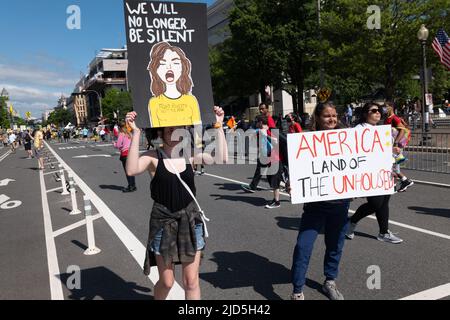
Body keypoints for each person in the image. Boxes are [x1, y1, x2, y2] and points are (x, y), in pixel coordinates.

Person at [125, 106, 227, 300]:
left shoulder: (190, 154)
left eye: (179, 128)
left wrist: (219, 125)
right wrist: (135, 132)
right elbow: (131, 170)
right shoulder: (153, 157)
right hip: (163, 222)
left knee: (191, 281)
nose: (175, 133)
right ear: (161, 133)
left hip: (190, 220)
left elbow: (221, 158)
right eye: (170, 129)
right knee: (167, 282)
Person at [291, 102, 350, 301]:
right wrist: (295, 184)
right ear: (317, 117)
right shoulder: (306, 142)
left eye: (334, 115)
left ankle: (330, 281)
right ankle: (298, 291)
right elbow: (298, 170)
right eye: (327, 116)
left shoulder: (348, 139)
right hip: (315, 207)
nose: (332, 119)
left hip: (340, 205)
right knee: (303, 247)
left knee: (335, 245)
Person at [346, 102, 403, 244]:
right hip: (368, 173)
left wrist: (393, 151)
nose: (378, 113)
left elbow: (383, 150)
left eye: (380, 110)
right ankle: (350, 222)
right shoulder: (358, 130)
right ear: (366, 114)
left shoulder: (381, 130)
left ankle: (383, 232)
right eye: (374, 111)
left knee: (384, 202)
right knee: (375, 204)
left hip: (384, 172)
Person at [147, 41, 201, 128]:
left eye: (175, 63)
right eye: (162, 63)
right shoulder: (154, 102)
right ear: (155, 69)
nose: (169, 67)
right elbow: (157, 133)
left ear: (183, 67)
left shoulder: (191, 100)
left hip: (189, 141)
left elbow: (198, 130)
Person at [241, 103, 276, 193]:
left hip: (269, 149)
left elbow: (273, 131)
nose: (261, 110)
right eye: (260, 109)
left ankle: (253, 186)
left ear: (267, 109)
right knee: (266, 169)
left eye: (262, 109)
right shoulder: (260, 120)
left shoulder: (269, 119)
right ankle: (276, 185)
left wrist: (264, 132)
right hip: (265, 148)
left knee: (264, 168)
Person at [384, 102, 414, 192]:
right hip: (389, 145)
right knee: (392, 166)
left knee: (393, 166)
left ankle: (398, 183)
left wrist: (396, 143)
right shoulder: (387, 118)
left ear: (391, 107)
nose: (384, 109)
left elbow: (402, 130)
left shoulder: (394, 118)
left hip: (395, 146)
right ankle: (403, 182)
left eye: (386, 107)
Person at [114, 122, 137, 193]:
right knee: (131, 170)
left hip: (125, 154)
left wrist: (114, 143)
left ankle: (130, 186)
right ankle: (133, 185)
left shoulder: (121, 134)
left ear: (120, 128)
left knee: (127, 171)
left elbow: (118, 145)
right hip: (131, 153)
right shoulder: (129, 134)